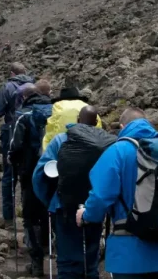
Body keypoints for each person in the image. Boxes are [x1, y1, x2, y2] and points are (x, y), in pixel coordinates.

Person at [76, 108, 158, 279]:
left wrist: (86, 215)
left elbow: (100, 197)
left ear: (123, 125)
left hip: (128, 251)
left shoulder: (118, 151)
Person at [33, 106, 109, 279]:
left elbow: (39, 175)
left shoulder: (61, 141)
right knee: (91, 261)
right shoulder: (105, 144)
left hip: (64, 208)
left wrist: (50, 201)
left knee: (67, 263)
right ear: (96, 122)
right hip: (93, 208)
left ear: (77, 120)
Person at [9, 84, 53, 277]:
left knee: (30, 218)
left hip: (30, 175)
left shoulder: (23, 116)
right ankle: (56, 253)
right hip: (54, 172)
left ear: (25, 97)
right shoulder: (55, 112)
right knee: (51, 213)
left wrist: (16, 166)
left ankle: (36, 263)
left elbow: (14, 148)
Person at [0, 62, 34, 224]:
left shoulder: (8, 87)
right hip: (31, 134)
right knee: (28, 173)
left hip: (11, 131)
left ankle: (9, 217)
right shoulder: (33, 85)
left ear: (12, 73)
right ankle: (29, 215)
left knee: (9, 175)